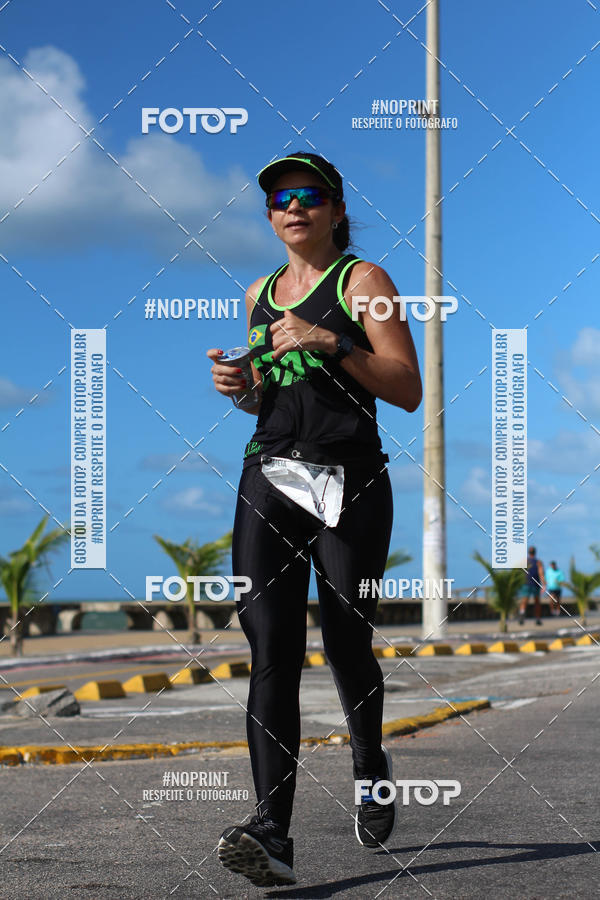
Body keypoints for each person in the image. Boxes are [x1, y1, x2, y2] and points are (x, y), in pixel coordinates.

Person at [207, 151, 422, 888]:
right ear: (270, 217)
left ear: (336, 208)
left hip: (350, 479)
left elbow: (407, 387)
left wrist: (333, 340)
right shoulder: (258, 294)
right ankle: (271, 832)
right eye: (279, 199)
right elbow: (264, 397)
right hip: (270, 474)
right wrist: (237, 385)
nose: (292, 207)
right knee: (271, 648)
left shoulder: (367, 283)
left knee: (346, 643)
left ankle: (369, 764)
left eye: (308, 195)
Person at [518, 545, 546, 625]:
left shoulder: (525, 561)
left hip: (526, 583)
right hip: (535, 584)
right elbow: (541, 573)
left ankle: (522, 614)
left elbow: (520, 573)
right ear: (535, 552)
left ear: (528, 552)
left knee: (524, 601)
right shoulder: (538, 562)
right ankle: (537, 619)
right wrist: (544, 584)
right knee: (537, 602)